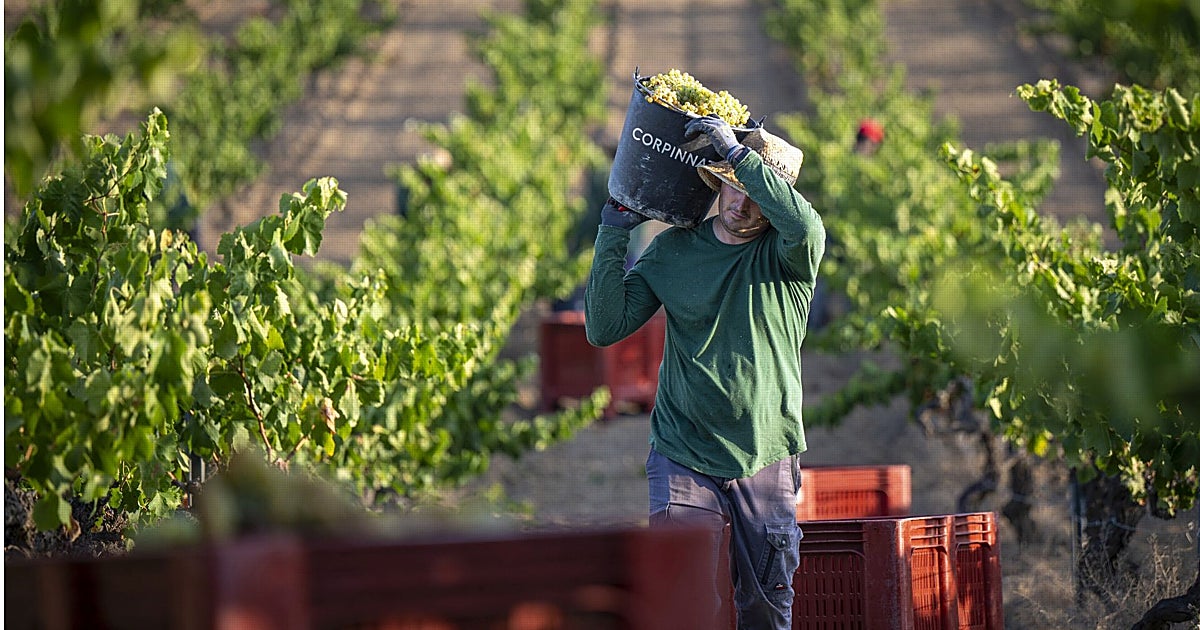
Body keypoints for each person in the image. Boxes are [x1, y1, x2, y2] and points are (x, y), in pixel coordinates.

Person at [584, 114, 825, 629]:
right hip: (682, 451)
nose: (742, 204)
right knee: (679, 598)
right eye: (733, 189)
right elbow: (604, 328)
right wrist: (611, 233)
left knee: (764, 607)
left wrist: (739, 154)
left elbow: (806, 225)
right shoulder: (674, 250)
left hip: (764, 452)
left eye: (757, 193)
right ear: (717, 184)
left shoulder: (788, 258)